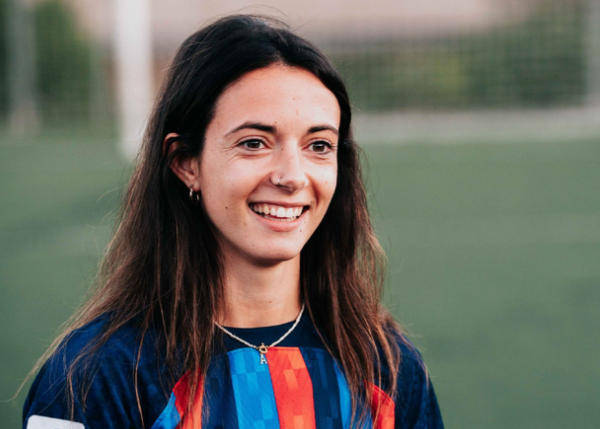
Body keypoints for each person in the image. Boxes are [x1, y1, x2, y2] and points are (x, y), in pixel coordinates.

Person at [23, 15, 443, 429]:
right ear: (186, 163)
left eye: (318, 145)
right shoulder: (96, 375)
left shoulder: (388, 366)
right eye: (254, 143)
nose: (292, 176)